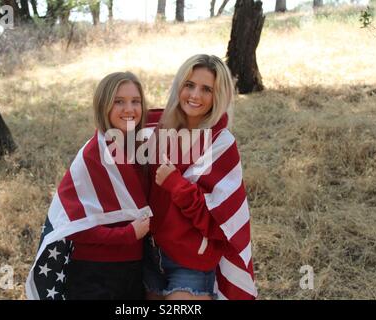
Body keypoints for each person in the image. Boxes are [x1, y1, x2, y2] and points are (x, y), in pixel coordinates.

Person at [25, 72, 152, 300]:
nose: (129, 109)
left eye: (136, 101)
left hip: (135, 270)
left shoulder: (142, 151)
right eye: (119, 101)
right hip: (94, 273)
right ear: (104, 106)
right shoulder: (91, 156)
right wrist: (127, 234)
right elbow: (74, 226)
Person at [143, 54, 258, 300]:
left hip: (190, 262)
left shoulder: (220, 143)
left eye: (207, 89)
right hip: (150, 255)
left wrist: (176, 184)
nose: (195, 95)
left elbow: (219, 223)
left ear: (219, 97)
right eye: (189, 85)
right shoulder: (159, 130)